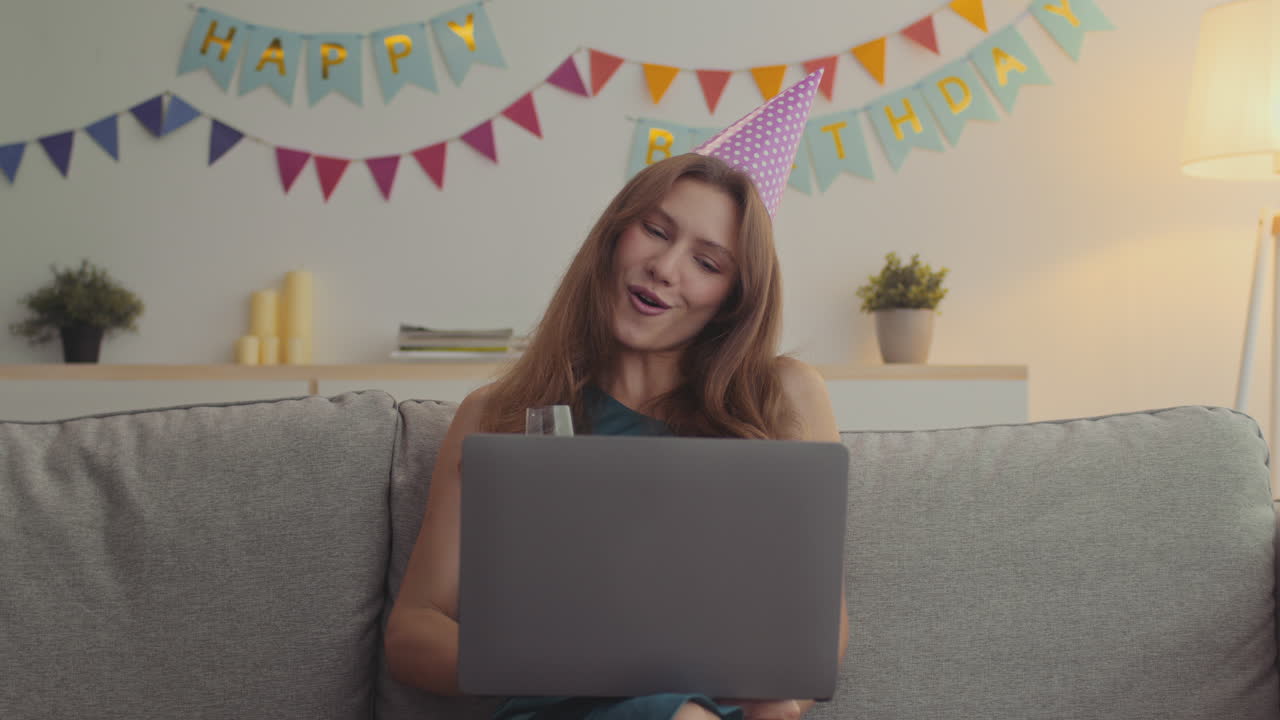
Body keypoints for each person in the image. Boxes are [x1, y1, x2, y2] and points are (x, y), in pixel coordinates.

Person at [386, 71, 847, 720]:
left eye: (708, 262)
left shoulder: (785, 398)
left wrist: (776, 700)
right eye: (657, 231)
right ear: (615, 236)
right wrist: (554, 657)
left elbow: (817, 634)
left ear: (732, 300)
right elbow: (412, 632)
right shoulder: (498, 415)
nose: (666, 267)